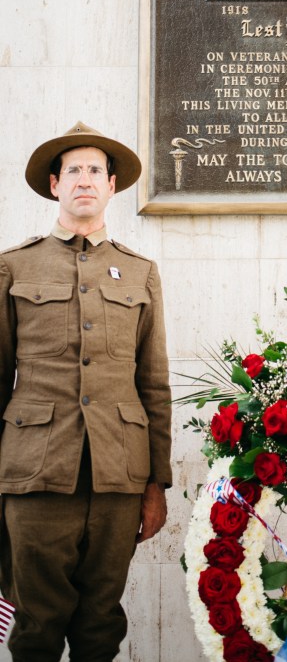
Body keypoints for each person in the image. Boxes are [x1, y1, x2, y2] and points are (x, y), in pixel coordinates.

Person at [0, 121, 172, 662]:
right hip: (35, 474)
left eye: (95, 170)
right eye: (72, 170)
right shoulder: (14, 266)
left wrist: (156, 484)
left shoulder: (141, 273)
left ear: (111, 185)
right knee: (36, 627)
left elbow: (154, 384)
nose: (84, 179)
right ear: (55, 185)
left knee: (100, 626)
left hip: (118, 475)